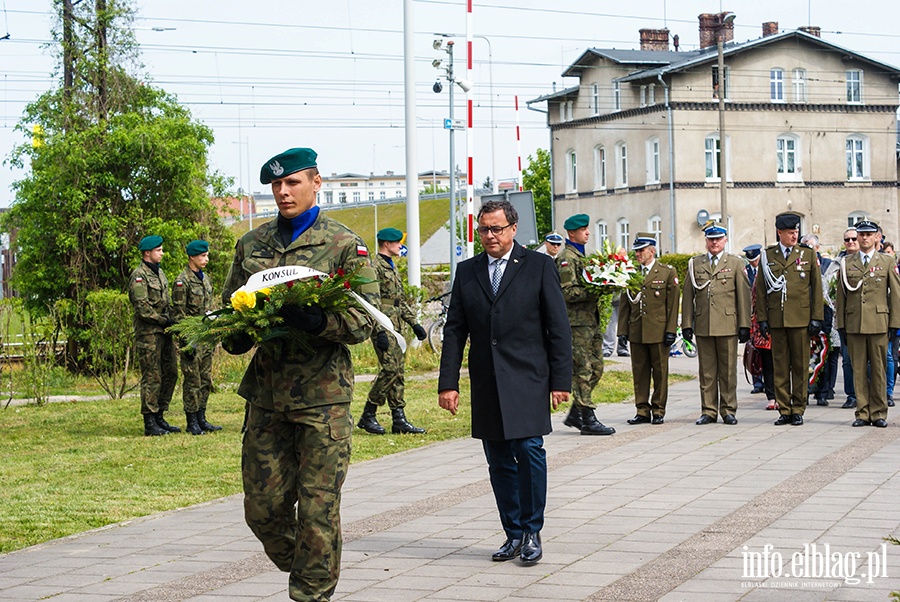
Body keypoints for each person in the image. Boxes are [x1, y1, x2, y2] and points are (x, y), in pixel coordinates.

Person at [221, 147, 379, 602]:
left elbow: (366, 320)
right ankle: (314, 566)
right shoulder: (252, 245)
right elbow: (233, 305)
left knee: (317, 510)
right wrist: (236, 334)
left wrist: (318, 322)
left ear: (316, 182)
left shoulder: (345, 244)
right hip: (266, 397)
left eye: (292, 183)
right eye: (276, 185)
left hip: (322, 398)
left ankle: (312, 592)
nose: (283, 192)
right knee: (263, 510)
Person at [438, 199, 572, 566]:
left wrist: (561, 380)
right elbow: (454, 331)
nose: (490, 236)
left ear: (513, 229)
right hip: (487, 380)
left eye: (497, 228)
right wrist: (447, 383)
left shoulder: (539, 266)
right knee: (498, 459)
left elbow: (558, 328)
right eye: (484, 229)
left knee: (529, 451)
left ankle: (532, 530)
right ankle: (513, 533)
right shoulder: (467, 271)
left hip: (528, 377)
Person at [358, 227, 427, 435]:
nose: (400, 246)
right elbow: (373, 300)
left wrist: (414, 323)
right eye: (397, 243)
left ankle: (399, 419)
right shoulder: (375, 266)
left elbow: (398, 300)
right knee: (389, 369)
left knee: (398, 371)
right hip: (384, 323)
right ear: (387, 244)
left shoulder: (391, 266)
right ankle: (368, 413)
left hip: (397, 324)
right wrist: (379, 331)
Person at [756, 212, 823, 426]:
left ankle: (798, 408)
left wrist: (816, 318)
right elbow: (761, 291)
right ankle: (784, 409)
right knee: (780, 365)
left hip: (801, 319)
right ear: (780, 233)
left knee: (800, 365)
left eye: (796, 232)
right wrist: (762, 320)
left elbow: (816, 289)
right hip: (777, 319)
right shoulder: (768, 256)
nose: (794, 237)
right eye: (790, 233)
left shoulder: (807, 254)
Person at [681, 225, 751, 425]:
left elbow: (743, 297)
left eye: (718, 239)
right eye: (711, 239)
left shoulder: (736, 264)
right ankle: (708, 410)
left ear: (725, 240)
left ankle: (728, 410)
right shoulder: (695, 264)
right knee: (707, 372)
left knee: (728, 371)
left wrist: (745, 325)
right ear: (706, 241)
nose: (714, 243)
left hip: (728, 324)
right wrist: (687, 324)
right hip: (704, 324)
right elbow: (688, 296)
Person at [835, 220, 900, 428]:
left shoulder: (887, 262)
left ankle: (879, 412)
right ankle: (862, 412)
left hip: (879, 323)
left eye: (868, 234)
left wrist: (895, 324)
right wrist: (841, 325)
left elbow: (896, 296)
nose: (864, 238)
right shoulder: (847, 262)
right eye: (861, 234)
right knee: (858, 370)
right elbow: (841, 297)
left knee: (879, 369)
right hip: (854, 323)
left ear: (877, 237)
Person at [556, 213, 615, 435]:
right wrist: (596, 288)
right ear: (572, 233)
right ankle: (587, 419)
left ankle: (575, 413)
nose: (587, 232)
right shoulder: (566, 259)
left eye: (587, 228)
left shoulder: (582, 257)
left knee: (597, 368)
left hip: (591, 322)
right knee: (582, 369)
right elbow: (567, 293)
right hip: (576, 324)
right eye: (583, 229)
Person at [619, 233, 679, 425]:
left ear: (652, 251)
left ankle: (658, 409)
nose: (637, 254)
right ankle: (642, 410)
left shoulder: (666, 272)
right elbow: (625, 304)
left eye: (641, 250)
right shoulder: (630, 273)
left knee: (660, 372)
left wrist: (671, 330)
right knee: (640, 372)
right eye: (636, 250)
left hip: (658, 330)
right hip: (637, 330)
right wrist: (622, 332)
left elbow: (672, 304)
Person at [128, 235, 179, 437]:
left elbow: (166, 302)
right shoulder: (139, 276)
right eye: (158, 250)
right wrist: (163, 320)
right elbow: (142, 308)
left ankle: (160, 415)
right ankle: (150, 421)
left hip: (164, 331)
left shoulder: (160, 274)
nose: (162, 253)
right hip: (149, 333)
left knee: (171, 372)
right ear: (147, 253)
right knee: (152, 376)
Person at [172, 239, 220, 435]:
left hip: (206, 337)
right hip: (192, 339)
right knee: (192, 381)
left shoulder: (205, 279)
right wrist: (186, 341)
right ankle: (191, 420)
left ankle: (202, 417)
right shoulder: (182, 281)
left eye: (207, 255)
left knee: (205, 378)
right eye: (202, 256)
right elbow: (178, 315)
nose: (206, 259)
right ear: (192, 257)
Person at [802, 234, 838, 407]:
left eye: (810, 246)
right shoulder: (798, 263)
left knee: (823, 358)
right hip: (802, 319)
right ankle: (805, 392)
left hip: (822, 318)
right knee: (804, 361)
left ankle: (823, 393)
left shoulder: (825, 266)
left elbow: (827, 298)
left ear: (817, 248)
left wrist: (825, 324)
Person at [743, 244, 769, 397]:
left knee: (765, 351)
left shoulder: (766, 270)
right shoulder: (745, 272)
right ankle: (757, 382)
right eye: (751, 261)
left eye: (756, 260)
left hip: (763, 317)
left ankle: (767, 381)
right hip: (751, 317)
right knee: (753, 351)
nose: (754, 263)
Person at [839, 228, 859, 409]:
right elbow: (838, 297)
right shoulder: (839, 263)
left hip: (871, 321)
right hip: (848, 320)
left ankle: (871, 394)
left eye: (854, 238)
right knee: (847, 361)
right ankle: (851, 395)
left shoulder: (877, 261)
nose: (851, 242)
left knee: (872, 362)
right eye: (847, 239)